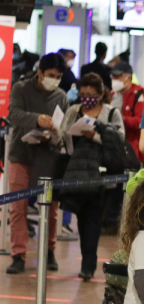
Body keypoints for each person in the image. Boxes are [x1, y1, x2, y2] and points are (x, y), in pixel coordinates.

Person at [53, 73, 126, 280]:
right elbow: (63, 136)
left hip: (101, 174)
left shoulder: (111, 113)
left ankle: (88, 264)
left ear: (101, 94)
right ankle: (87, 261)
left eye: (91, 95)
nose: (87, 99)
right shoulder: (73, 110)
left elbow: (119, 140)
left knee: (93, 217)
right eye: (83, 94)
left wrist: (94, 136)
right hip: (76, 173)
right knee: (82, 216)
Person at [6, 53, 69, 275]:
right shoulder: (21, 88)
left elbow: (63, 128)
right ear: (40, 72)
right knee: (18, 208)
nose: (55, 80)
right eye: (51, 75)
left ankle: (49, 251)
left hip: (48, 157)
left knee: (51, 209)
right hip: (21, 155)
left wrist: (54, 133)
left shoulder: (61, 96)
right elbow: (14, 114)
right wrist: (36, 119)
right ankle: (18, 255)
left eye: (58, 77)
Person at [109, 62, 144, 163]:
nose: (114, 79)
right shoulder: (112, 95)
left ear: (128, 77)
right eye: (113, 76)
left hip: (132, 148)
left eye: (118, 76)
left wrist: (122, 119)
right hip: (114, 146)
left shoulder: (138, 96)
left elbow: (142, 122)